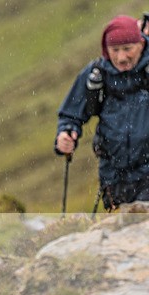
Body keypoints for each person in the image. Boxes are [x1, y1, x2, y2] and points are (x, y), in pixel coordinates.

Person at [55, 15, 149, 210]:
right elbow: (71, 115)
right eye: (115, 50)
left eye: (128, 49)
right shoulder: (97, 74)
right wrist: (66, 133)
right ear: (106, 50)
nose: (122, 57)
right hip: (113, 177)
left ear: (141, 43)